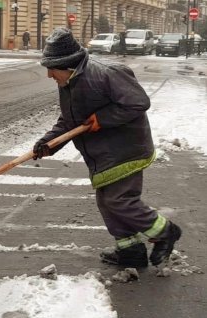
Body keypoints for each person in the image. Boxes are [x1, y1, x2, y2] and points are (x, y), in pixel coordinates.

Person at [33, 27, 182, 268]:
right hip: (104, 154)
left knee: (119, 200)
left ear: (67, 65)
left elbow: (138, 102)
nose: (50, 74)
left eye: (52, 68)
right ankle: (130, 251)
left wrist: (102, 119)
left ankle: (166, 232)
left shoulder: (105, 74)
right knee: (107, 202)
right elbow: (70, 121)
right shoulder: (69, 82)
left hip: (126, 149)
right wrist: (49, 144)